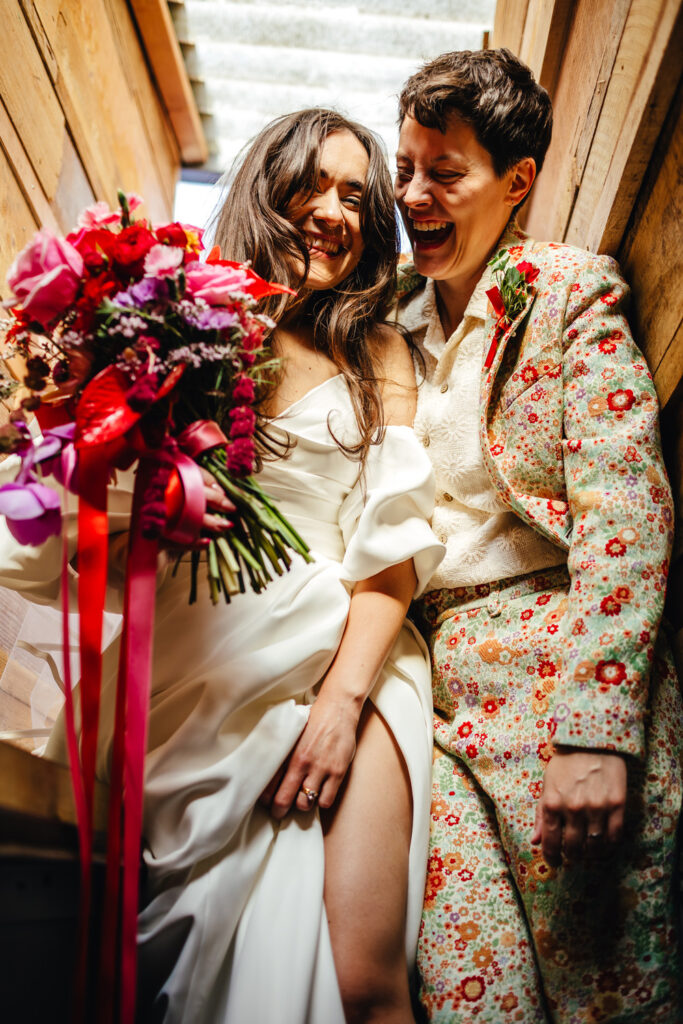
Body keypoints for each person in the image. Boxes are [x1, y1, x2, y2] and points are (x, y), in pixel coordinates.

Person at [0, 109, 443, 1023]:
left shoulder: (381, 354)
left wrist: (338, 708)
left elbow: (392, 558)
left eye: (357, 197)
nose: (333, 211)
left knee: (362, 982)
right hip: (189, 698)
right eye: (313, 184)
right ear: (264, 188)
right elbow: (93, 512)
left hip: (342, 668)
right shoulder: (176, 333)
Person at [391, 48, 683, 1023]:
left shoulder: (564, 291)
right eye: (404, 168)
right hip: (421, 698)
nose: (412, 195)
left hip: (549, 672)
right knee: (473, 1006)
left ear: (515, 181)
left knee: (604, 1003)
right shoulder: (378, 323)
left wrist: (595, 731)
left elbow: (623, 506)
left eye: (444, 173)